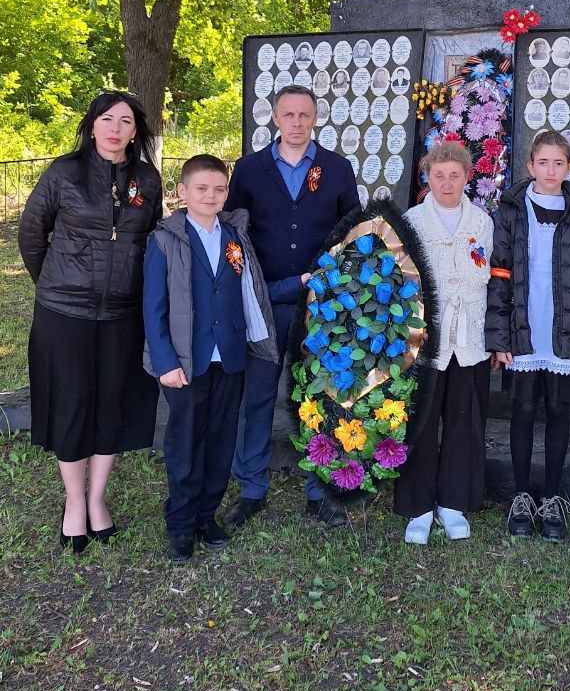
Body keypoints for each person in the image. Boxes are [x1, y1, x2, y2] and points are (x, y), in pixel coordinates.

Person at [18, 90, 162, 552]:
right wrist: (56, 283)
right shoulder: (65, 173)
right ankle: (73, 503)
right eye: (107, 119)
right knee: (72, 403)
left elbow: (152, 241)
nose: (115, 128)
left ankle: (97, 500)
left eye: (125, 121)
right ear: (92, 124)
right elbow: (30, 233)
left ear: (135, 130)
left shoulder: (147, 178)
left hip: (122, 314)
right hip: (64, 315)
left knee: (110, 405)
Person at [223, 84, 360, 530]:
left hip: (320, 307)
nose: (297, 123)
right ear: (275, 118)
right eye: (289, 115)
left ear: (315, 117)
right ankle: (251, 488)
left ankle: (318, 489)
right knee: (258, 394)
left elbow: (352, 236)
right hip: (264, 303)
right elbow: (233, 238)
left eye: (305, 115)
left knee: (318, 396)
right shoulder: (248, 170)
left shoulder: (337, 169)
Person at [143, 155, 278, 563]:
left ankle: (207, 515)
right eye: (201, 188)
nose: (211, 195)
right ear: (182, 192)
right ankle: (181, 524)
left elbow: (249, 290)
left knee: (221, 440)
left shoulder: (235, 236)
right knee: (186, 442)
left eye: (219, 189)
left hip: (229, 357)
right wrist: (165, 360)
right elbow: (154, 307)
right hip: (186, 360)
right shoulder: (165, 239)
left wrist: (259, 341)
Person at [485, 130, 570, 541]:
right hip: (522, 329)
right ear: (530, 166)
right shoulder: (512, 210)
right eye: (543, 162)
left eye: (559, 163)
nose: (550, 170)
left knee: (558, 414)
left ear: (569, 167)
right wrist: (499, 337)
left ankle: (551, 497)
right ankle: (521, 495)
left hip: (564, 331)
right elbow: (498, 273)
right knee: (521, 412)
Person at [395, 142, 494, 544]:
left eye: (455, 175)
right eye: (439, 175)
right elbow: (401, 281)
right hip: (426, 336)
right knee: (419, 421)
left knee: (462, 419)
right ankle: (418, 505)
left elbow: (487, 274)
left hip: (469, 335)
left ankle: (454, 501)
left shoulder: (482, 221)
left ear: (467, 177)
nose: (447, 183)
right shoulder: (412, 221)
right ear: (427, 178)